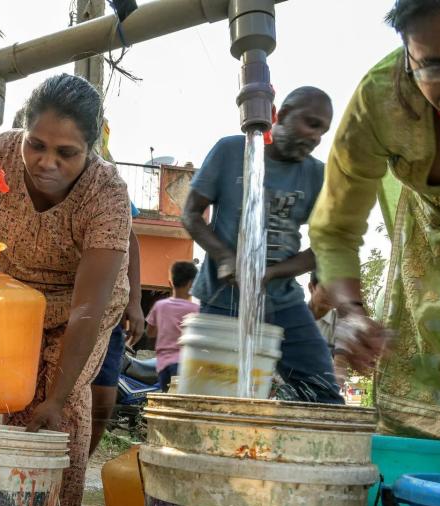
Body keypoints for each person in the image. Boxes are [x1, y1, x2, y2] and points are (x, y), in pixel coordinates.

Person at [0, 74, 132, 506]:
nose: (46, 162)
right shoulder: (0, 154)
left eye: (65, 153)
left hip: (82, 302)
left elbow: (88, 307)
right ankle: (3, 500)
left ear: (90, 151)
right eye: (38, 144)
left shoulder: (106, 194)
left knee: (63, 403)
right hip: (15, 290)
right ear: (24, 133)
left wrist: (56, 393)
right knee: (10, 392)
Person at [308, 0, 440, 438]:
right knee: (423, 423)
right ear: (407, 54)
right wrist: (353, 313)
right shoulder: (380, 98)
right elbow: (335, 226)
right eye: (434, 66)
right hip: (428, 256)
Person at [181, 86, 344, 405]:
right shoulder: (230, 152)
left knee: (323, 393)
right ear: (281, 115)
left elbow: (326, 244)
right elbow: (190, 213)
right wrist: (225, 258)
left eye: (322, 131)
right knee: (210, 398)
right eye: (310, 124)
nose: (315, 137)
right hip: (222, 299)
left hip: (283, 302)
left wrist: (271, 273)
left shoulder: (315, 175)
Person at [145, 260, 200, 392]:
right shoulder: (196, 309)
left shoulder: (160, 306)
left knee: (166, 396)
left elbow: (150, 333)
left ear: (170, 282)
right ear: (192, 284)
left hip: (163, 364)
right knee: (180, 402)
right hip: (185, 363)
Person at [307, 272, 348, 390]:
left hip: (322, 389)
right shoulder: (293, 318)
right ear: (311, 287)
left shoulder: (341, 323)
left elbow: (340, 363)